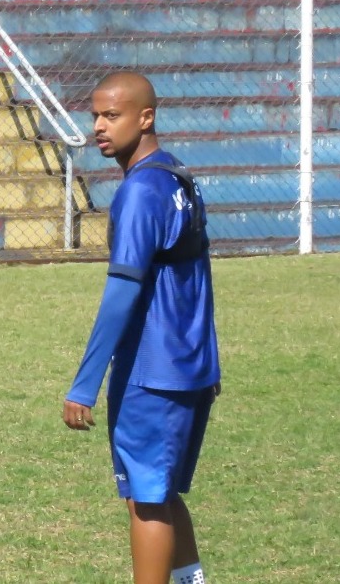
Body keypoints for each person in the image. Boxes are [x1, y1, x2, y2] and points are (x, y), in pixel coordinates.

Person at [63, 72, 221, 584]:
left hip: (152, 372)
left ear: (146, 118)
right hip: (190, 366)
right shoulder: (180, 179)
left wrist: (85, 384)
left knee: (146, 501)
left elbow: (122, 293)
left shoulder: (140, 192)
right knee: (164, 491)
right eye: (95, 116)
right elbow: (196, 277)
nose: (99, 128)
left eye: (112, 116)